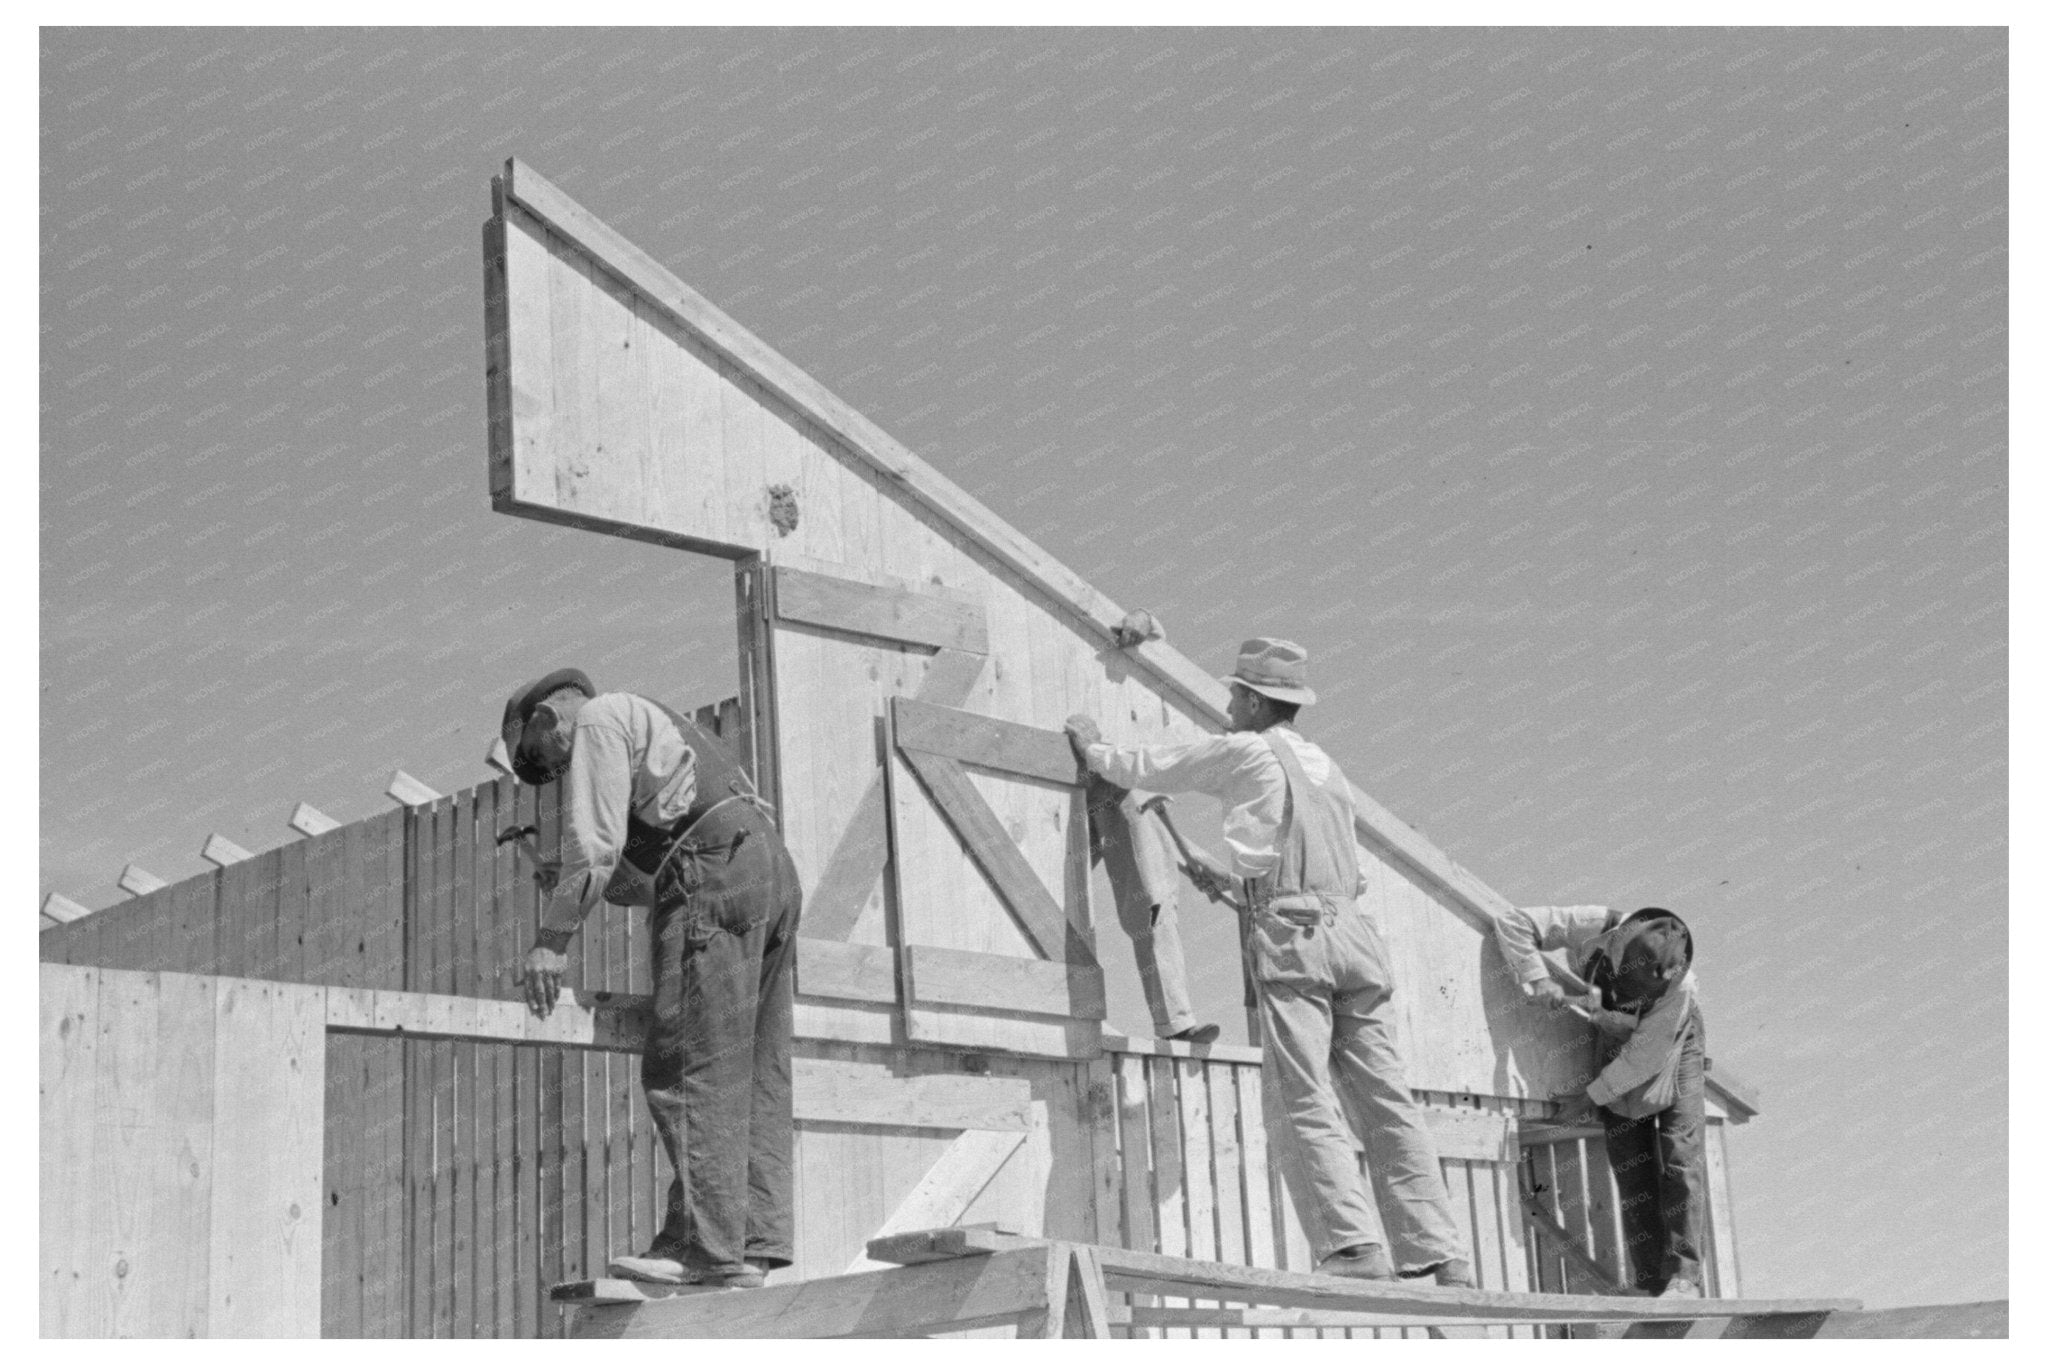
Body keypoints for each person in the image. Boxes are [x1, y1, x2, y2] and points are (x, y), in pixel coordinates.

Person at [1065, 638, 1473, 1285]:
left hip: (1296, 939)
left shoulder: (1249, 749)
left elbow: (1158, 765)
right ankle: (1441, 1254)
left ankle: (1352, 1248)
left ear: (1255, 701)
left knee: (1300, 1093)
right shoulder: (1326, 769)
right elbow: (1334, 877)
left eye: (1235, 696)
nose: (1229, 707)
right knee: (1386, 1101)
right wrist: (1237, 883)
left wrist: (1093, 751)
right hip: (1353, 938)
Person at [493, 668, 801, 1290]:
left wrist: (551, 942)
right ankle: (750, 1247)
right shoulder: (655, 725)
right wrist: (575, 879)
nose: (553, 771)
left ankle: (700, 1246)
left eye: (539, 756)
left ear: (547, 718)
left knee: (688, 1059)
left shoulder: (599, 718)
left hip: (714, 875)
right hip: (766, 871)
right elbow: (647, 879)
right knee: (754, 1066)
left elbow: (598, 849)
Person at [1493, 904, 1704, 1298]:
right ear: (1617, 943)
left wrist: (1591, 1097)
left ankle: (1684, 1276)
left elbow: (1644, 1057)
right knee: (1630, 1160)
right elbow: (1513, 921)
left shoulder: (1682, 988)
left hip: (1672, 1042)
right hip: (1613, 1035)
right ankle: (1650, 1283)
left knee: (1680, 1152)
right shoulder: (1593, 923)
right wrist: (1538, 977)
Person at [1086, 776, 1220, 1044]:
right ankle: (1174, 1024)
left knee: (1155, 909)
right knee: (1152, 908)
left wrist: (1191, 855)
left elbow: (1152, 808)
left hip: (1117, 793)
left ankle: (1175, 1024)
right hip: (1094, 791)